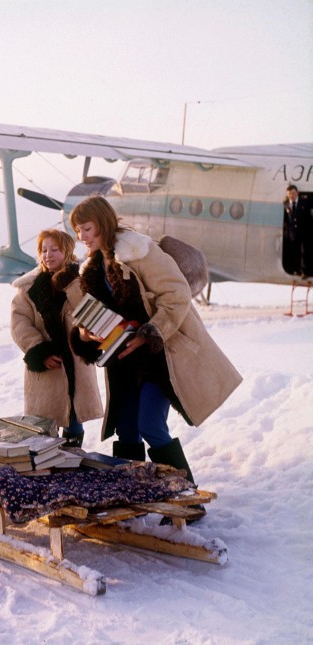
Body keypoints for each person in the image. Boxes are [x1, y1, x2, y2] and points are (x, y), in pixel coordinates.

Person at [65, 196, 242, 498]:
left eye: (86, 229)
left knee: (150, 425)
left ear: (103, 224)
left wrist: (149, 333)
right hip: (124, 362)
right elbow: (95, 316)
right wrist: (85, 334)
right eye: (78, 231)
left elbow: (177, 294)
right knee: (126, 428)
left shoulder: (140, 251)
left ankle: (185, 496)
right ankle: (134, 495)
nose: (81, 237)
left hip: (161, 359)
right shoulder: (92, 268)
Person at [10, 229, 103, 447]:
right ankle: (48, 469)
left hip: (75, 363)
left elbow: (90, 313)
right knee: (44, 425)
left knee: (74, 418)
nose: (48, 255)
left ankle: (71, 464)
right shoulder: (28, 288)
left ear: (68, 252)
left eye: (54, 249)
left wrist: (70, 284)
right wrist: (38, 350)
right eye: (43, 250)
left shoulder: (81, 282)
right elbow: (19, 323)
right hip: (47, 368)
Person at [283, 184, 312, 277]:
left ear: (297, 193)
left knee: (304, 252)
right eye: (290, 194)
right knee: (295, 252)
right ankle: (297, 270)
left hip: (305, 231)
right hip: (293, 233)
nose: (292, 195)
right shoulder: (286, 204)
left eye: (293, 193)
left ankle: (305, 271)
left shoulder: (305, 202)